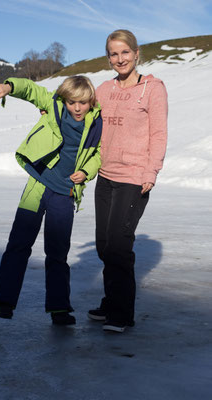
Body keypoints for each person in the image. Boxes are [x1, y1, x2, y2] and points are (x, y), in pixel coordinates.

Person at [0, 75, 102, 325]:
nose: (77, 108)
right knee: (19, 242)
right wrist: (9, 86)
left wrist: (86, 172)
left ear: (91, 101)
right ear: (65, 99)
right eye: (72, 102)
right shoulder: (54, 105)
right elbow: (30, 89)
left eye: (82, 102)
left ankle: (59, 309)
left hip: (65, 191)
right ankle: (4, 300)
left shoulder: (97, 123)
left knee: (58, 252)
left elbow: (99, 153)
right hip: (38, 182)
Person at [87, 29, 168, 333]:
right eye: (113, 54)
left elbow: (159, 133)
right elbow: (80, 110)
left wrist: (152, 171)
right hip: (106, 176)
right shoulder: (105, 89)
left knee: (119, 246)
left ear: (136, 54)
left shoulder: (153, 88)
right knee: (104, 245)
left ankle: (122, 313)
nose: (119, 59)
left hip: (134, 177)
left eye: (124, 52)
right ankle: (111, 301)